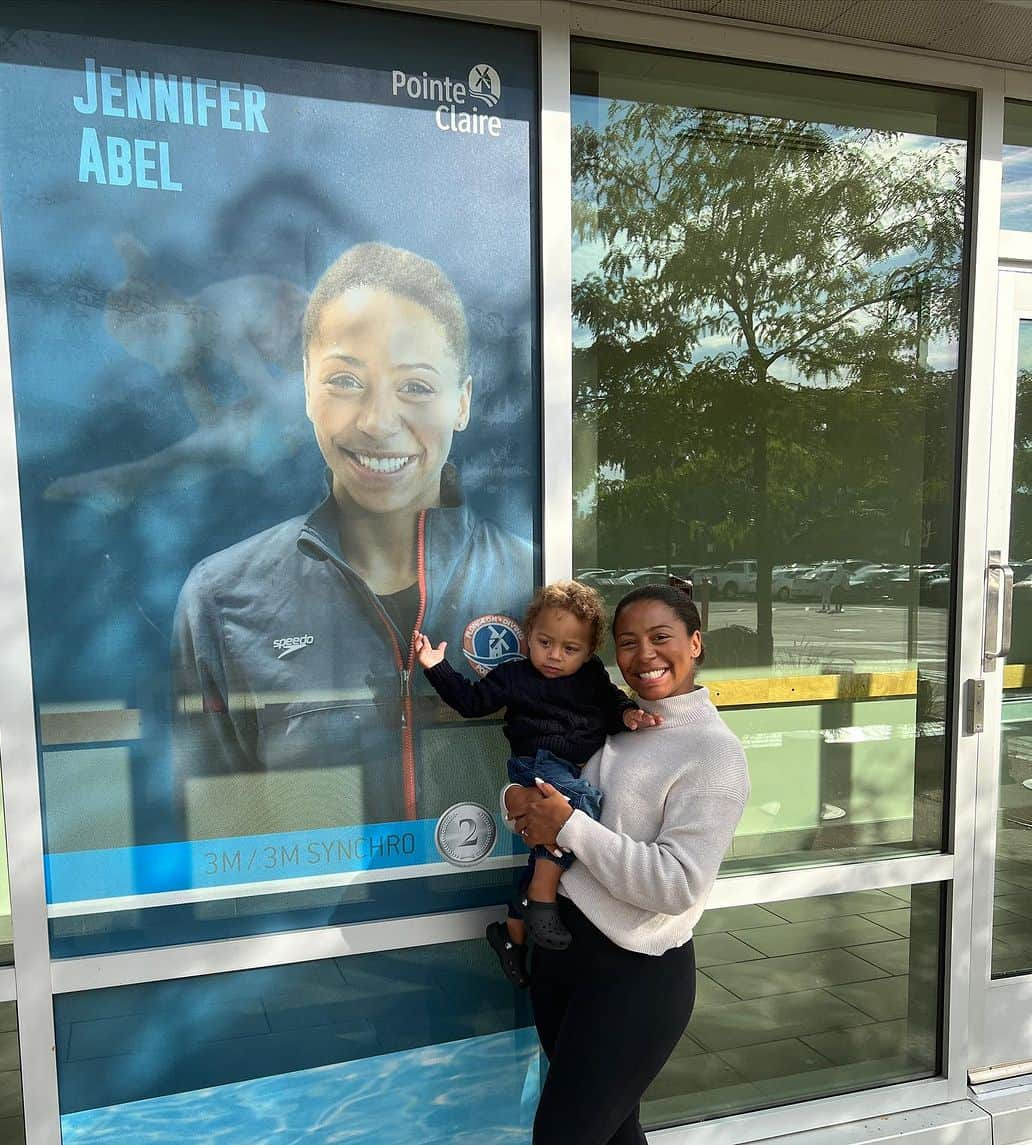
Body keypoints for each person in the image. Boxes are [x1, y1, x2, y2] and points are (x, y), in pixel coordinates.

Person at [172, 243, 534, 828]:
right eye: (344, 379)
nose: (376, 421)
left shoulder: (531, 581)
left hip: (492, 910)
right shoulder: (221, 597)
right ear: (306, 388)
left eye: (416, 386)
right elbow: (216, 826)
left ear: (462, 401)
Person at [506, 585, 749, 1145]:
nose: (645, 656)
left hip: (634, 973)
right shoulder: (614, 719)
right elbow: (547, 782)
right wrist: (514, 801)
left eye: (661, 638)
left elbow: (677, 884)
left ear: (695, 643)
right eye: (628, 643)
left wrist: (568, 826)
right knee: (615, 1135)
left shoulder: (713, 752)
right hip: (563, 952)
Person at [415, 581, 660, 979]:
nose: (554, 656)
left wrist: (629, 714)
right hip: (537, 763)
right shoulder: (514, 676)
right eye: (545, 642)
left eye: (570, 649)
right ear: (528, 636)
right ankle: (541, 896)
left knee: (551, 840)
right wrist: (436, 667)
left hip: (570, 768)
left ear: (589, 651)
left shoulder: (592, 675)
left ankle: (511, 932)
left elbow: (612, 701)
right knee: (577, 809)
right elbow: (472, 703)